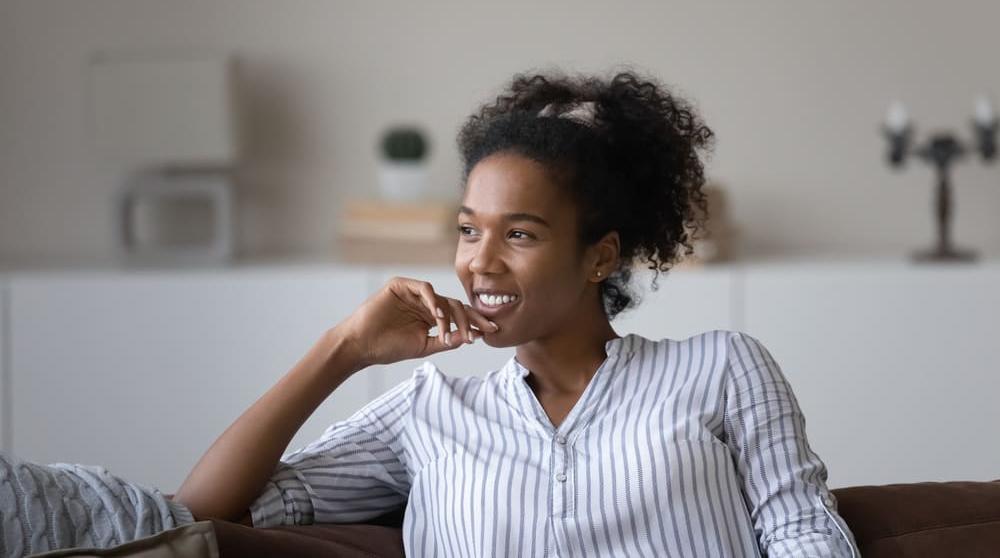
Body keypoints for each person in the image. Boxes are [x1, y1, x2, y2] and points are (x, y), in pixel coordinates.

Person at [1, 69, 859, 557]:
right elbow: (203, 512)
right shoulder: (429, 410)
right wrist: (342, 349)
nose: (479, 261)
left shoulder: (720, 368)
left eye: (519, 233)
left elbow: (808, 537)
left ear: (600, 253)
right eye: (467, 230)